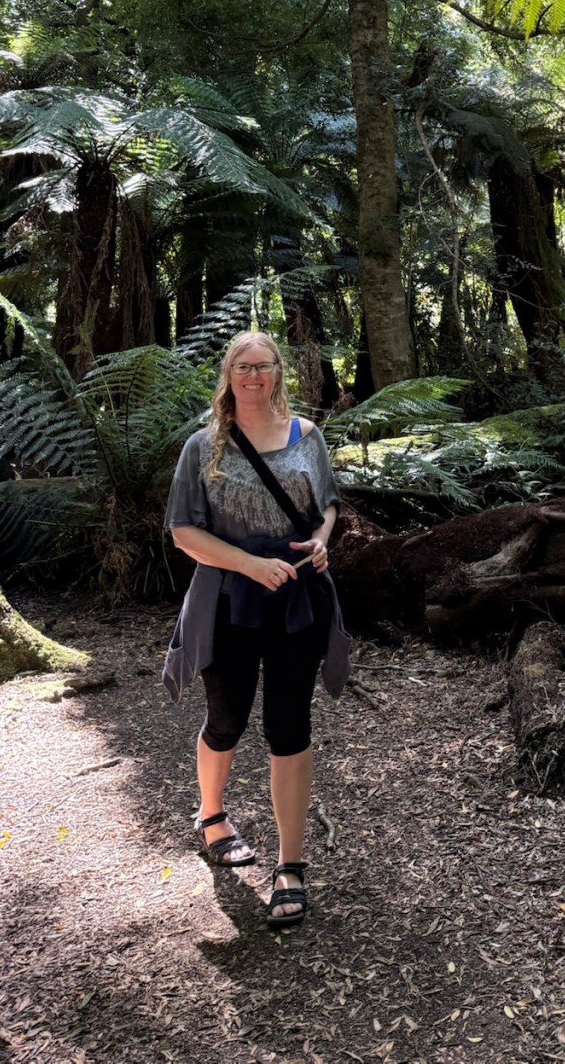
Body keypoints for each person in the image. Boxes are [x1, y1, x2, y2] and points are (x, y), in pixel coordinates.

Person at [163, 330, 351, 928]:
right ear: (228, 374)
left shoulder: (308, 436)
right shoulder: (204, 446)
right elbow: (183, 530)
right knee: (226, 716)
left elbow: (327, 506)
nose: (252, 376)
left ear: (277, 373)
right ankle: (212, 818)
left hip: (298, 598)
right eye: (242, 367)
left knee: (290, 724)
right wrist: (248, 563)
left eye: (262, 366)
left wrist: (320, 544)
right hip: (228, 598)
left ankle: (290, 865)